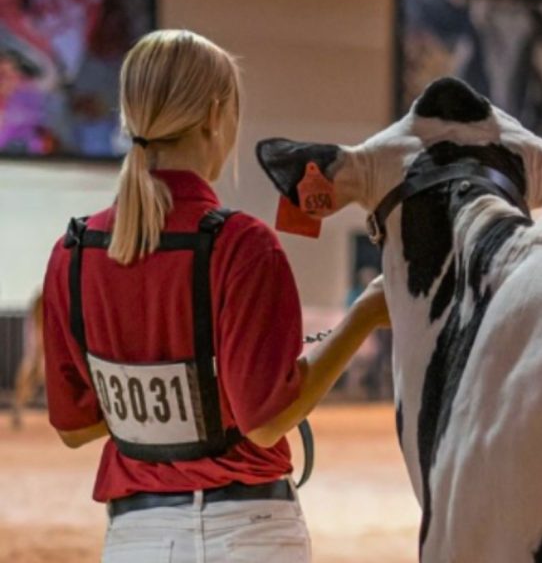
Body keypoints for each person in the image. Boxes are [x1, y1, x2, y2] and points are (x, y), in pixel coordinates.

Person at [41, 29, 389, 563]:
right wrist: (363, 317)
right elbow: (268, 420)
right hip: (248, 532)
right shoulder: (240, 244)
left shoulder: (74, 251)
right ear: (213, 115)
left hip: (137, 537)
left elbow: (74, 426)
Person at [11, 291, 44, 431]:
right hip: (37, 350)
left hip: (40, 351)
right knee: (28, 376)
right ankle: (18, 407)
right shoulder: (37, 311)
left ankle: (18, 406)